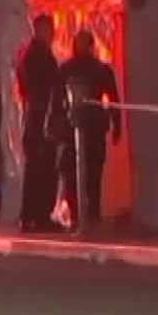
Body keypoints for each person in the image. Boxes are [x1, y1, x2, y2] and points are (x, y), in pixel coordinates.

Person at [54, 29, 122, 230]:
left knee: (88, 173)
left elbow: (113, 99)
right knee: (81, 174)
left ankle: (87, 214)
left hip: (85, 126)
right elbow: (57, 101)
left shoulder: (91, 69)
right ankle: (83, 214)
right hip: (77, 128)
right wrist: (117, 125)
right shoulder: (70, 69)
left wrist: (117, 125)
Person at [14, 13, 63, 232]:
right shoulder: (39, 55)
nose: (53, 35)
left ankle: (30, 215)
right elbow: (47, 89)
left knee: (34, 169)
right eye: (50, 30)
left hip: (33, 117)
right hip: (41, 118)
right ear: (42, 30)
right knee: (44, 169)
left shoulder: (27, 54)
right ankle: (40, 216)